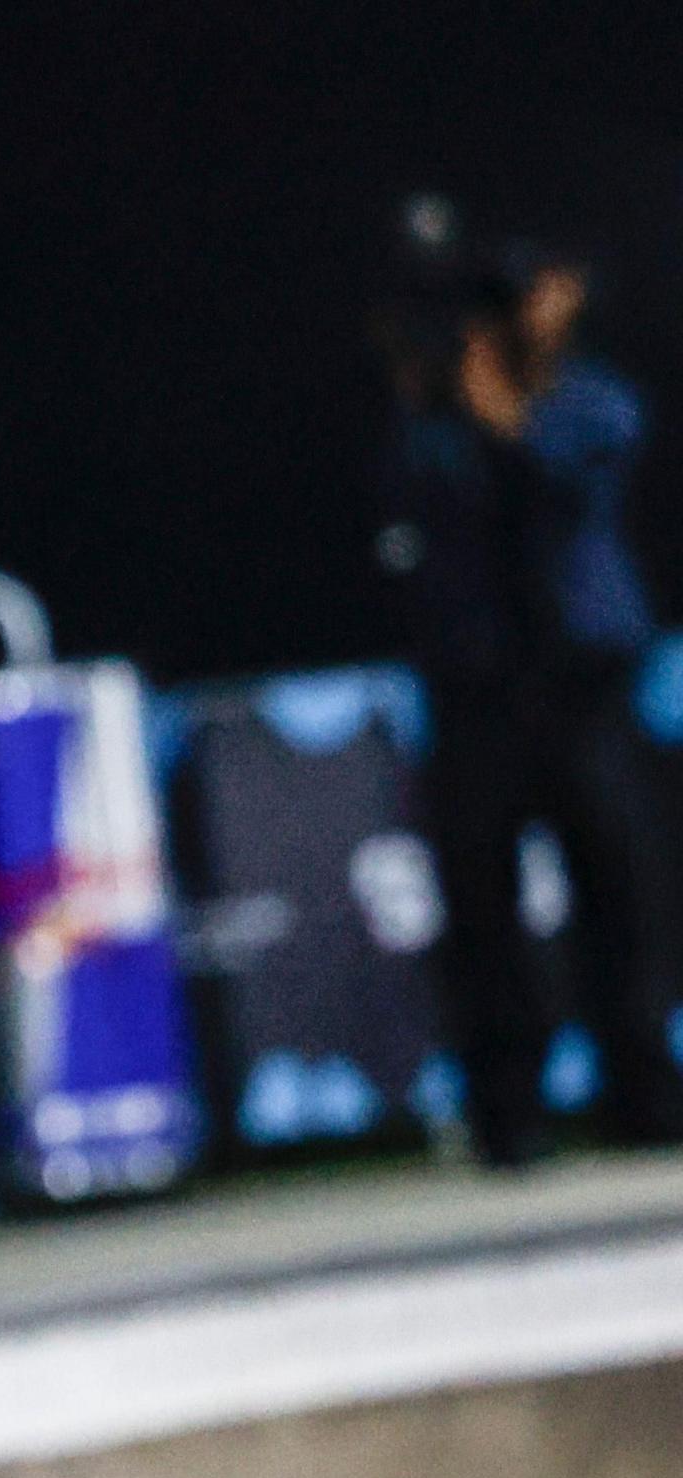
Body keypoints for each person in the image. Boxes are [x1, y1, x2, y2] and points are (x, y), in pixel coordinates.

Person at [377, 251, 683, 1165]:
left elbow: (555, 483)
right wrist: (443, 387)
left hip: (581, 690)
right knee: (481, 911)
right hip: (479, 697)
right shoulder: (430, 421)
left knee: (618, 893)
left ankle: (643, 1093)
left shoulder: (592, 401)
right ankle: (509, 1111)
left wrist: (502, 398)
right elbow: (417, 510)